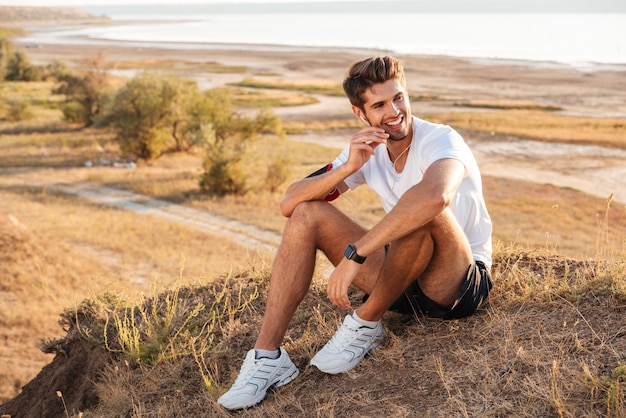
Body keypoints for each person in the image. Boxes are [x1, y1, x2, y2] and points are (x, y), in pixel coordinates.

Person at [217, 55, 493, 410]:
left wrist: (355, 255)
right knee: (307, 214)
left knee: (421, 209)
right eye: (379, 105)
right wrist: (348, 166)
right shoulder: (369, 150)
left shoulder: (441, 140)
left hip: (457, 283)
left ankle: (365, 321)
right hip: (401, 276)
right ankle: (268, 359)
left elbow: (436, 197)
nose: (394, 111)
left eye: (399, 97)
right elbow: (290, 202)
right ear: (360, 114)